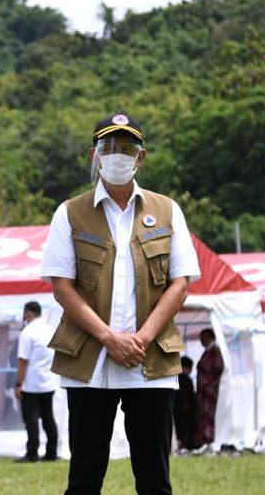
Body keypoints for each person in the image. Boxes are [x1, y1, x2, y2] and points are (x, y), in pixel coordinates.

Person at [40, 113, 200, 495]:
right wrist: (110, 338)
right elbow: (62, 287)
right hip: (89, 360)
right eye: (108, 147)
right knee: (84, 478)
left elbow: (180, 284)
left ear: (140, 158)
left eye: (126, 148)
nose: (117, 155)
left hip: (152, 360)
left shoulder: (166, 210)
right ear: (94, 155)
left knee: (154, 479)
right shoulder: (69, 212)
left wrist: (140, 339)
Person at [14, 301, 59, 462]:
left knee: (31, 419)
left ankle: (32, 452)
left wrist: (18, 383)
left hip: (31, 383)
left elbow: (23, 360)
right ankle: (51, 452)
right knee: (48, 418)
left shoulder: (28, 332)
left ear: (28, 314)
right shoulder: (50, 330)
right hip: (49, 381)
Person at [195, 328, 223, 452]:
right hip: (203, 391)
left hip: (210, 390)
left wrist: (209, 384)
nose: (201, 341)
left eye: (204, 338)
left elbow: (218, 368)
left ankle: (210, 438)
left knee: (209, 415)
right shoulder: (207, 352)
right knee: (203, 416)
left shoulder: (215, 351)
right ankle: (206, 439)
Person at [173, 356, 198, 453]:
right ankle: (183, 443)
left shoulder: (177, 379)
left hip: (179, 407)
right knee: (183, 426)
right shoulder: (186, 380)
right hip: (182, 408)